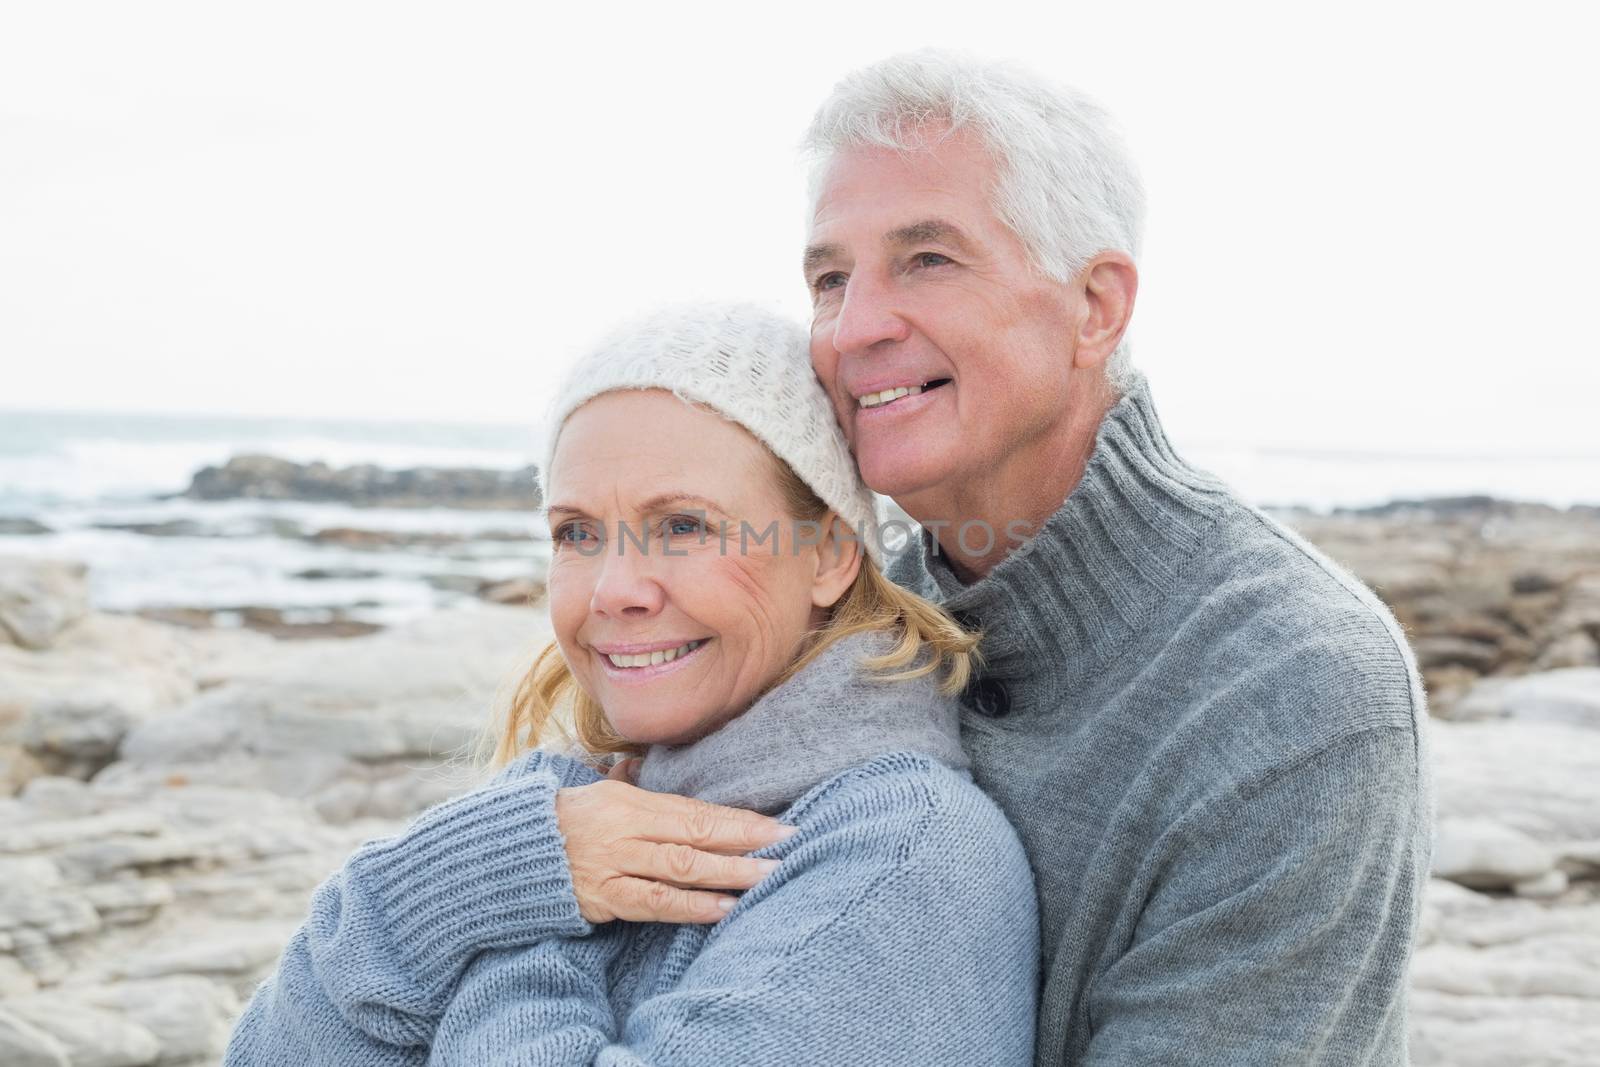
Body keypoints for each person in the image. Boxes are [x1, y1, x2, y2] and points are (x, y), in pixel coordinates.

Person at [552, 52, 1434, 1065]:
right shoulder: (843, 610)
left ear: (1095, 306)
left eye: (926, 259)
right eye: (830, 278)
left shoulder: (1297, 689)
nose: (852, 328)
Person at [222, 302, 1039, 1065]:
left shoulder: (904, 860)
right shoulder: (572, 811)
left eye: (682, 525)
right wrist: (430, 886)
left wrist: (522, 911)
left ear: (828, 552)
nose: (614, 589)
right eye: (576, 532)